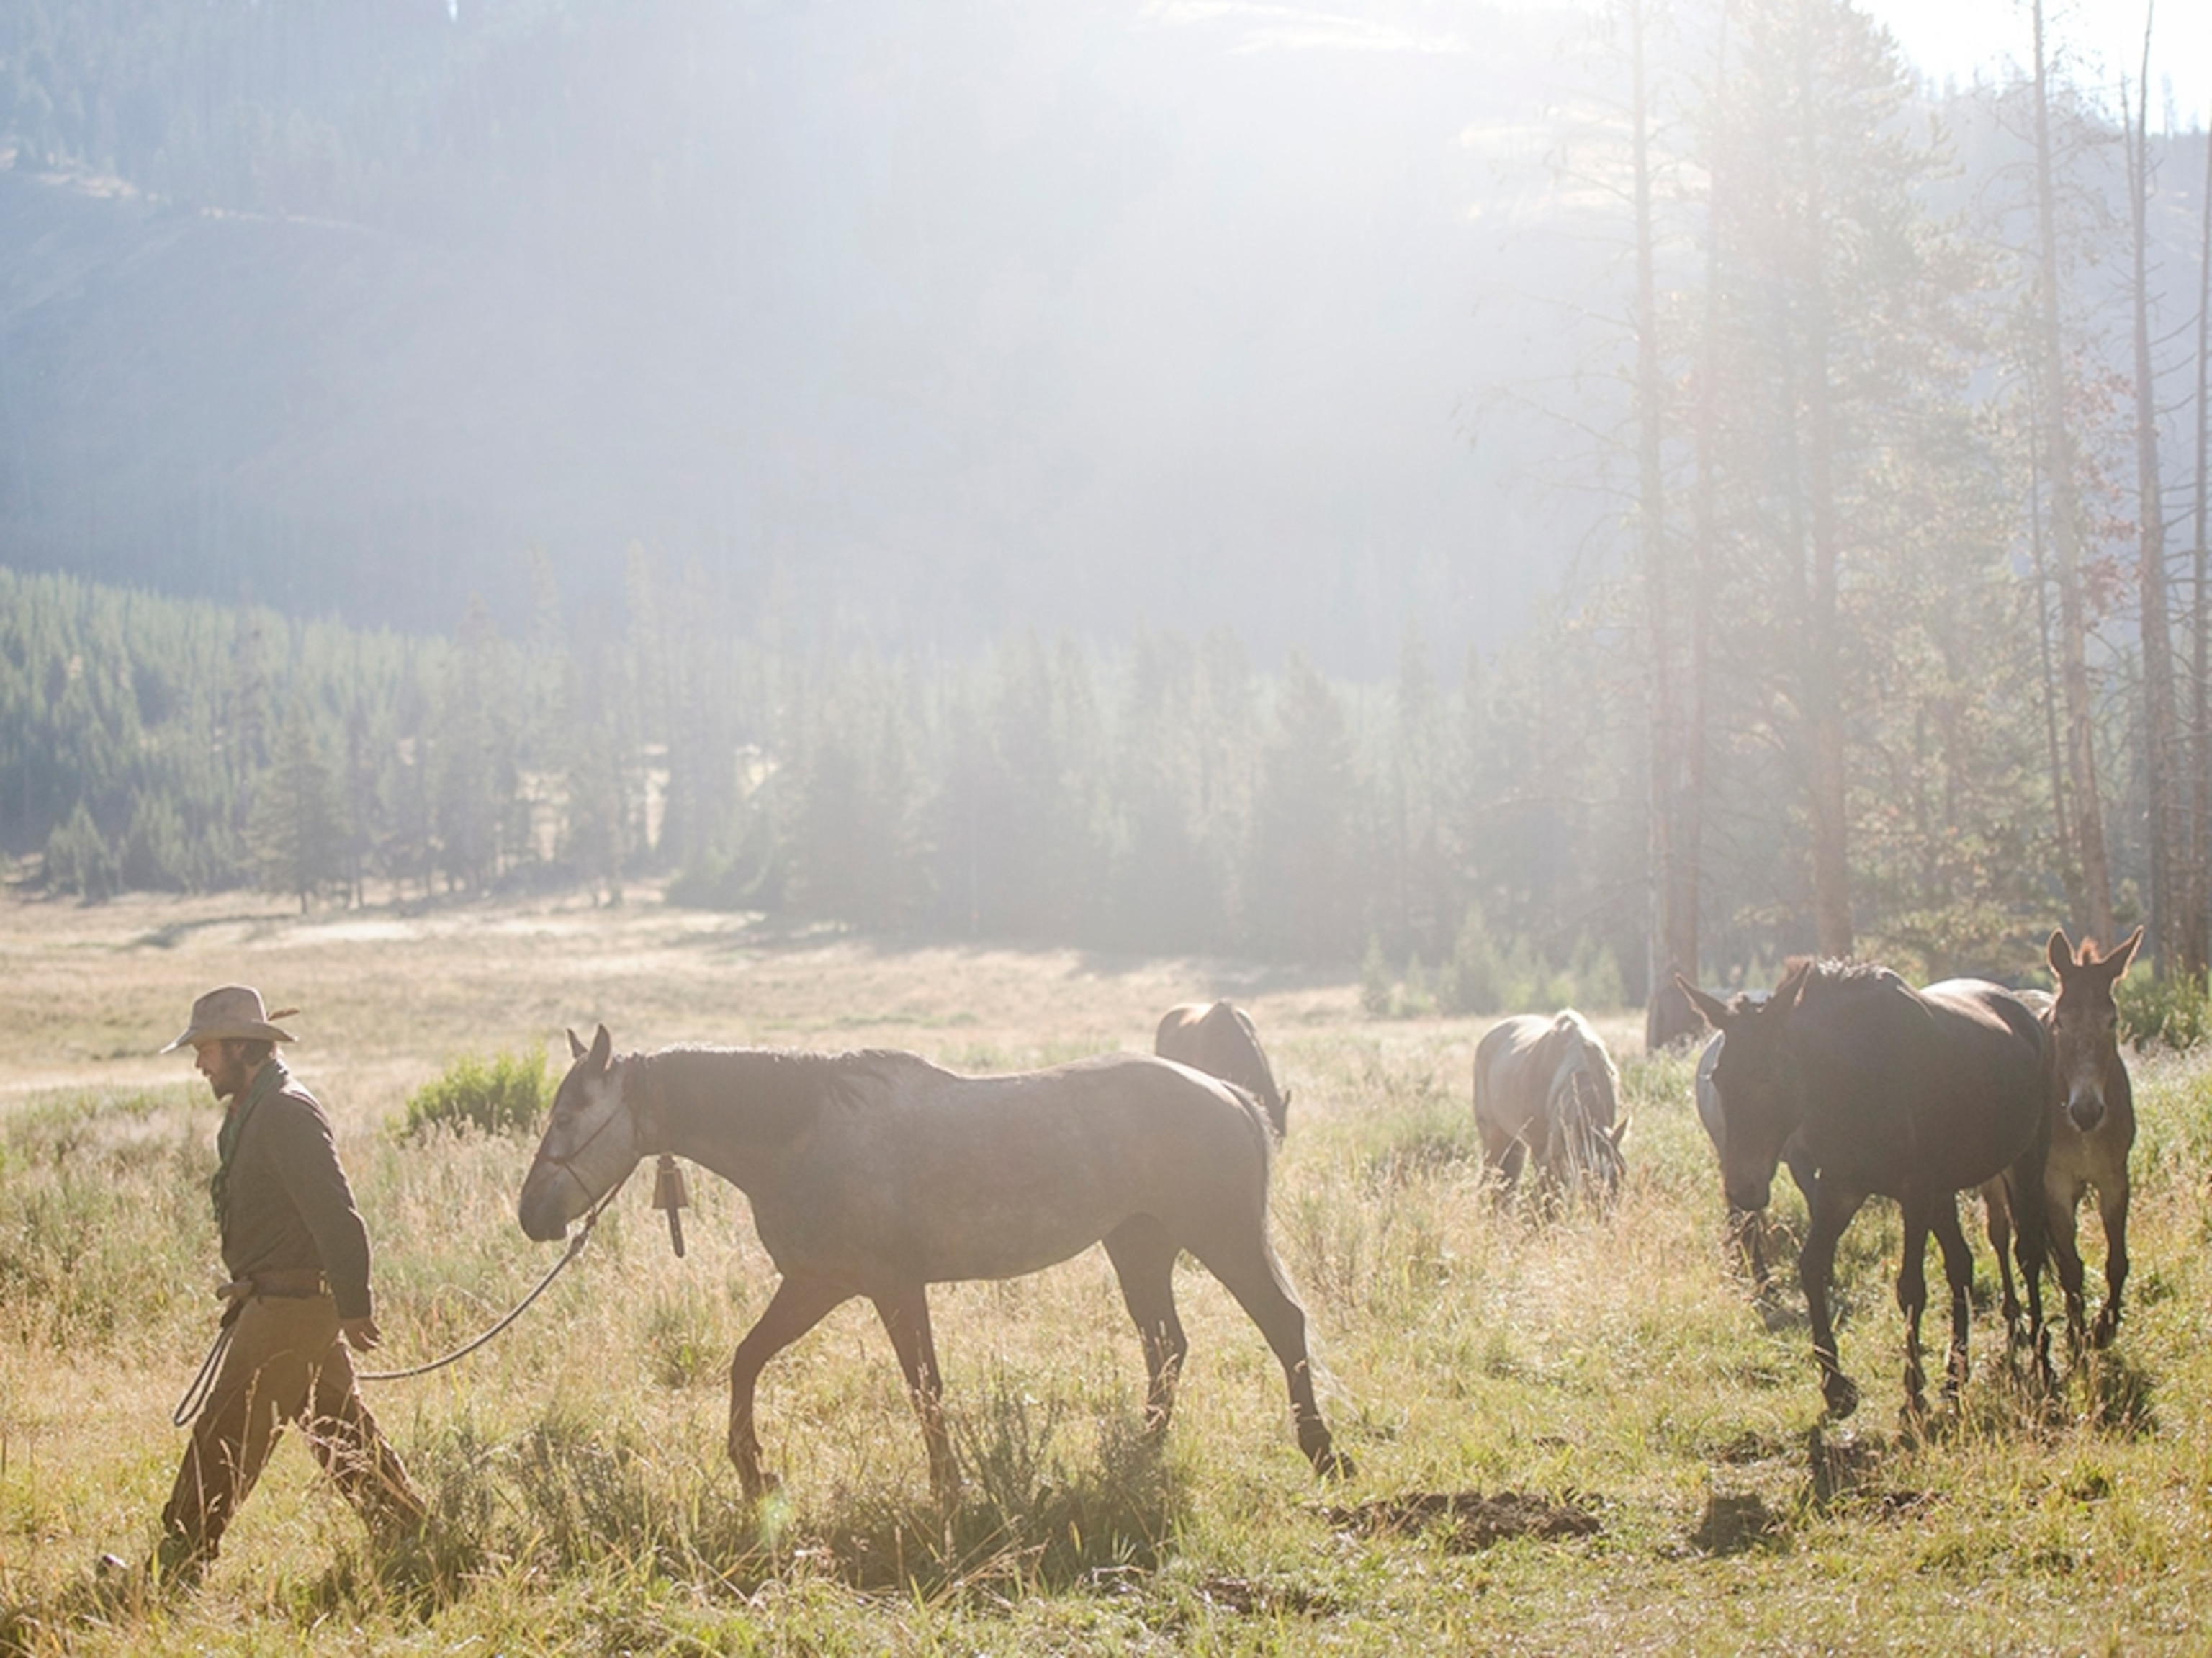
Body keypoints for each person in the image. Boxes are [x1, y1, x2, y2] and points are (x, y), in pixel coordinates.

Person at [141, 985, 427, 1585]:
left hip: (291, 1305)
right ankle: (417, 1543)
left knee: (228, 1428)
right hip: (282, 1301)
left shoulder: (286, 1112)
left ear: (243, 1046)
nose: (199, 1063)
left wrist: (353, 1305)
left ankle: (179, 1562)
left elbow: (336, 1213)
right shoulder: (256, 1109)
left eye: (207, 1049)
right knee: (339, 1433)